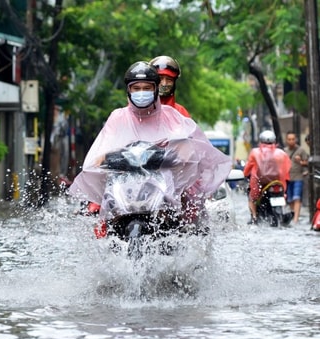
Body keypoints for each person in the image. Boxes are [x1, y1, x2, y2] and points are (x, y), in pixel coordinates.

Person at [69, 61, 232, 234]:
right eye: (136, 88)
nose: (141, 93)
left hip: (164, 190)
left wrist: (167, 157)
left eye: (146, 88)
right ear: (128, 91)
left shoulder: (172, 116)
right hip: (125, 190)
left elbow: (188, 153)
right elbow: (99, 156)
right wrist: (114, 159)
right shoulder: (117, 117)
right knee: (105, 225)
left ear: (155, 89)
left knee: (184, 220)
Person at [243, 130, 291, 225]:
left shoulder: (255, 152)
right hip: (277, 182)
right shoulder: (281, 153)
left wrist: (244, 174)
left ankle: (254, 217)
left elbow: (248, 168)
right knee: (284, 195)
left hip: (259, 182)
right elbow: (287, 168)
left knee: (252, 198)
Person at [284, 131, 310, 223]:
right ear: (286, 140)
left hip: (298, 177)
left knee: (297, 198)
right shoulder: (284, 151)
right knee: (290, 199)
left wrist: (301, 162)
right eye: (289, 139)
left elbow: (308, 162)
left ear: (296, 140)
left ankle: (295, 219)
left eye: (293, 139)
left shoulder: (301, 150)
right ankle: (293, 215)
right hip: (287, 178)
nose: (291, 141)